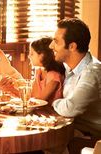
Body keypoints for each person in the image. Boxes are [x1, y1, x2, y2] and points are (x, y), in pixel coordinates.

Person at [49, 18, 101, 153]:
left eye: (56, 41)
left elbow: (71, 108)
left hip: (91, 141)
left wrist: (52, 102)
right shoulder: (70, 68)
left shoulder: (92, 72)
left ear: (72, 46)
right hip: (74, 132)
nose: (51, 46)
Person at [28, 37, 65, 105]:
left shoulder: (54, 76)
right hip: (41, 111)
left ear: (42, 55)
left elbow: (41, 100)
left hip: (53, 113)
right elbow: (33, 96)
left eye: (32, 54)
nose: (29, 56)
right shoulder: (39, 71)